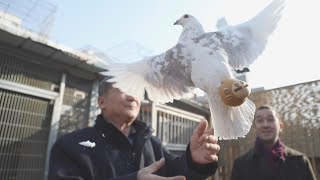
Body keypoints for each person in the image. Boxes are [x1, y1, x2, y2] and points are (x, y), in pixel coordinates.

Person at [48, 77, 220, 180]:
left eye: (136, 90)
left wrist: (194, 161)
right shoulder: (72, 146)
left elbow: (176, 172)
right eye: (123, 89)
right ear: (101, 102)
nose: (132, 96)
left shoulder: (151, 144)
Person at [231, 105, 317, 180]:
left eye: (270, 119)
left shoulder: (300, 161)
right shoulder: (241, 165)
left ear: (281, 126)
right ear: (255, 128)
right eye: (260, 121)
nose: (265, 125)